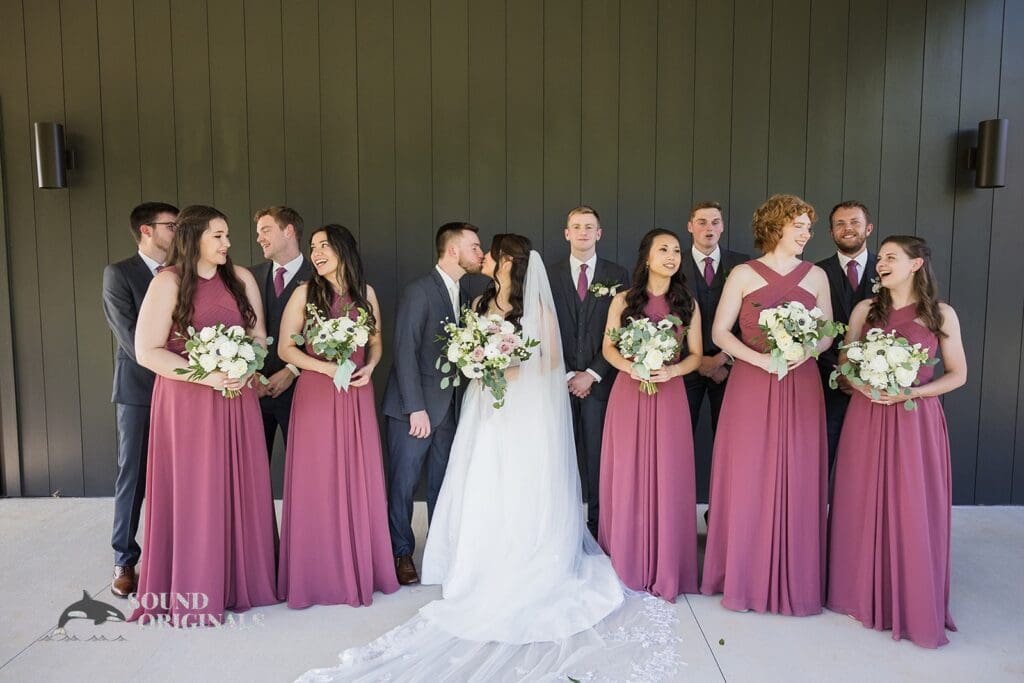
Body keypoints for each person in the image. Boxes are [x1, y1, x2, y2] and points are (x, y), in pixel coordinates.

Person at [299, 236, 683, 682]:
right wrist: (478, 362)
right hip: (485, 410)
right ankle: (476, 559)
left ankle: (524, 556)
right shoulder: (480, 300)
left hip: (523, 412)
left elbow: (552, 361)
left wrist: (510, 363)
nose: (485, 259)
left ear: (505, 262)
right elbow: (464, 353)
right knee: (484, 481)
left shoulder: (534, 306)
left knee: (519, 482)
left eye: (491, 254)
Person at [130, 205, 278, 626]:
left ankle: (242, 579)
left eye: (227, 235)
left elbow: (259, 337)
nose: (228, 243)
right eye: (219, 236)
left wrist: (246, 367)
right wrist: (207, 375)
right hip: (188, 403)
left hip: (238, 398)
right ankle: (197, 582)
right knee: (197, 488)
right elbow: (147, 351)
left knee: (241, 482)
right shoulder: (168, 283)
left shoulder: (243, 278)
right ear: (194, 238)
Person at [828, 235, 966, 648]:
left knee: (910, 503)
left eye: (891, 257)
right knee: (860, 498)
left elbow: (957, 374)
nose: (882, 263)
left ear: (916, 264)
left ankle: (908, 592)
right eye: (881, 257)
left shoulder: (940, 315)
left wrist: (912, 393)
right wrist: (859, 384)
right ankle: (856, 590)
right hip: (867, 416)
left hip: (913, 420)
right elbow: (844, 362)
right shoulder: (865, 310)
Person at [700, 194, 835, 616]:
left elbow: (829, 330)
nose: (806, 235)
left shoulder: (816, 276)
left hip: (801, 382)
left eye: (808, 229)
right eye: (800, 227)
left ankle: (797, 574)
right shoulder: (742, 273)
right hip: (752, 382)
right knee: (749, 471)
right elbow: (720, 332)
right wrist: (757, 359)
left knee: (797, 470)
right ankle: (742, 573)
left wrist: (808, 349)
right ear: (777, 227)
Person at [276, 225, 399, 608]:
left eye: (323, 245)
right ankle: (318, 572)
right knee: (318, 475)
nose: (316, 253)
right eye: (312, 247)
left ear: (344, 249)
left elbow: (376, 341)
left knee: (357, 474)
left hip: (357, 393)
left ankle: (362, 564)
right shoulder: (303, 294)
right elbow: (284, 349)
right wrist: (327, 369)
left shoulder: (367, 294)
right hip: (316, 393)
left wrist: (371, 367)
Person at [599, 229, 702, 600]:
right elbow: (608, 348)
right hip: (630, 394)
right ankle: (628, 559)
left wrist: (674, 370)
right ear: (647, 257)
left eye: (676, 250)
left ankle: (665, 561)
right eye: (664, 250)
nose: (672, 256)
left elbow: (695, 355)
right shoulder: (623, 300)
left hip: (669, 394)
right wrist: (630, 368)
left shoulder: (687, 302)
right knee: (629, 471)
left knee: (668, 473)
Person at [381, 222, 483, 585]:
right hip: (416, 409)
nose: (480, 253)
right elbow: (404, 351)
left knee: (444, 482)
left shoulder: (464, 293)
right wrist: (415, 408)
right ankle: (400, 552)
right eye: (474, 246)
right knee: (404, 484)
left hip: (451, 408)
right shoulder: (419, 291)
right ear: (453, 250)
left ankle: (439, 552)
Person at [102, 201, 178, 598]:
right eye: (171, 226)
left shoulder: (184, 273)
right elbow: (133, 340)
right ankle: (124, 559)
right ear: (147, 231)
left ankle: (177, 555)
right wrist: (186, 369)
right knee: (133, 475)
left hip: (185, 394)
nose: (177, 233)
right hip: (140, 392)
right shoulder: (119, 274)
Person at [547, 206, 630, 537]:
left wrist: (592, 373)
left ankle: (598, 528)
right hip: (557, 384)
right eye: (576, 226)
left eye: (589, 227)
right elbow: (541, 330)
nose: (582, 232)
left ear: (599, 233)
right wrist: (568, 374)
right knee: (559, 460)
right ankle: (563, 529)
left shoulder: (618, 274)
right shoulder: (549, 275)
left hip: (601, 384)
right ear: (567, 233)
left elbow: (623, 332)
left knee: (599, 461)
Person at [816, 200, 877, 471]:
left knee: (869, 458)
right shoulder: (815, 272)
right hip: (826, 378)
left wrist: (864, 374)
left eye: (854, 222)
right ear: (831, 233)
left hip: (878, 380)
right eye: (840, 224)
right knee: (821, 453)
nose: (847, 228)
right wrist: (839, 373)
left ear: (869, 228)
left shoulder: (886, 269)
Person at [251, 206, 313, 463]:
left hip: (299, 390)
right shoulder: (250, 276)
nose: (259, 238)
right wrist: (252, 373)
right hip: (255, 391)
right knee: (252, 467)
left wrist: (292, 370)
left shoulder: (319, 277)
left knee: (301, 466)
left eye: (265, 230)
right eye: (258, 233)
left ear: (288, 231)